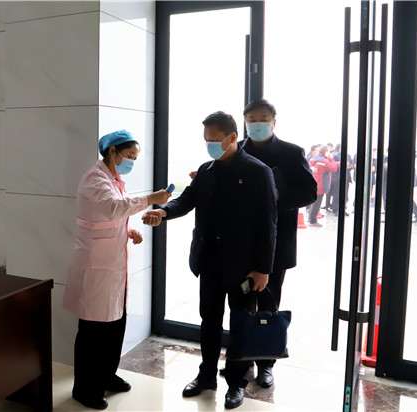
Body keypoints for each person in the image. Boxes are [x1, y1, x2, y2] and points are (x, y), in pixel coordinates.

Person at [142, 111, 278, 409]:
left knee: (241, 324)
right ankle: (206, 376)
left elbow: (268, 225)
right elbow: (187, 200)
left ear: (232, 137)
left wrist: (263, 269)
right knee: (209, 322)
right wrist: (163, 212)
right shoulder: (207, 170)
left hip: (244, 267)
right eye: (206, 140)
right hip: (210, 263)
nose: (210, 146)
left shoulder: (258, 172)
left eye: (214, 140)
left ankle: (236, 382)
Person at [62, 130, 171, 410]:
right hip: (95, 266)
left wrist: (129, 230)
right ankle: (84, 389)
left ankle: (107, 375)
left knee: (115, 324)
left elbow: (110, 218)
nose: (131, 161)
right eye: (130, 156)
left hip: (113, 265)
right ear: (113, 151)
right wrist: (152, 198)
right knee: (93, 331)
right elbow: (112, 208)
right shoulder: (94, 178)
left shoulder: (114, 180)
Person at [237, 98, 317, 387]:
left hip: (275, 241)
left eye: (262, 118)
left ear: (274, 121)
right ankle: (241, 361)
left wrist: (280, 197)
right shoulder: (236, 151)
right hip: (240, 242)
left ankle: (266, 364)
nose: (257, 124)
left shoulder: (291, 152)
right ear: (245, 122)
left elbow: (310, 192)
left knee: (268, 303)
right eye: (251, 119)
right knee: (241, 303)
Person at [308, 145, 339, 227]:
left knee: (314, 202)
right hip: (320, 185)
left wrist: (339, 163)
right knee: (317, 203)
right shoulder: (324, 161)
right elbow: (333, 168)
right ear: (326, 152)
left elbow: (330, 165)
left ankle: (310, 218)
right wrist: (331, 158)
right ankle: (313, 221)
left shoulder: (315, 158)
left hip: (314, 183)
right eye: (328, 151)